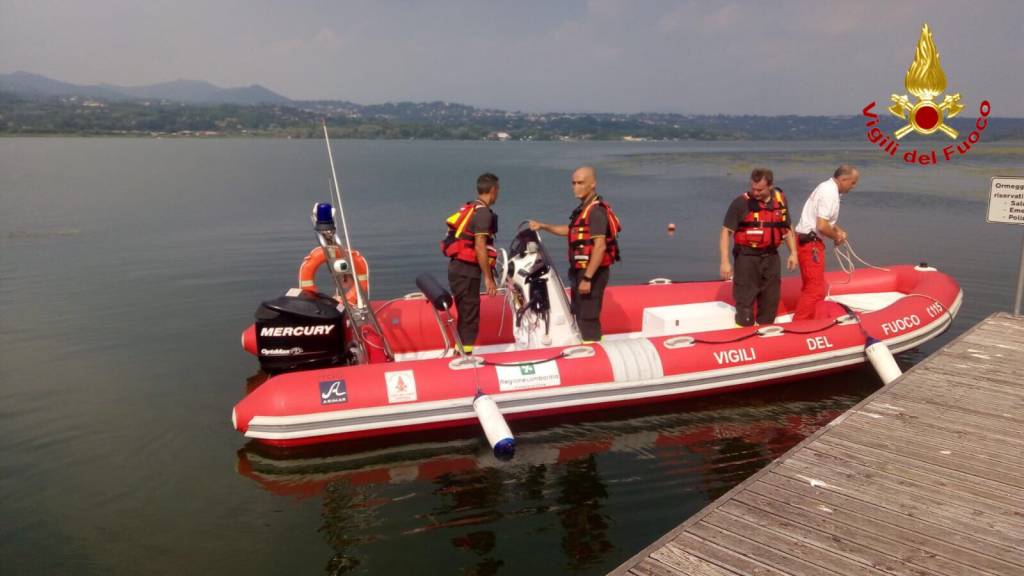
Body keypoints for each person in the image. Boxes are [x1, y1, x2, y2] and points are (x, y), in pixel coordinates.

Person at [528, 166, 621, 342]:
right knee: (579, 311)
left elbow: (599, 247)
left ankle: (593, 354)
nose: (575, 187)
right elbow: (569, 231)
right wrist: (544, 226)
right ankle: (587, 346)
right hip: (580, 271)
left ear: (593, 184)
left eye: (580, 183)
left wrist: (587, 278)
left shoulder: (596, 212)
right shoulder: (582, 210)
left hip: (592, 273)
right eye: (573, 183)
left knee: (588, 316)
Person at [719, 168, 798, 327]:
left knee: (770, 300)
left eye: (760, 190)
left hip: (771, 257)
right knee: (745, 301)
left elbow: (787, 227)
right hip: (747, 258)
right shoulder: (740, 203)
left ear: (770, 186)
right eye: (752, 188)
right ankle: (744, 333)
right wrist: (725, 261)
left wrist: (793, 253)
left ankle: (765, 335)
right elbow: (725, 233)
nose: (755, 192)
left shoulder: (780, 200)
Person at [441, 172, 500, 353]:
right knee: (469, 316)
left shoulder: (471, 208)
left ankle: (459, 351)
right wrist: (489, 278)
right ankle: (465, 356)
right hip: (467, 272)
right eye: (498, 190)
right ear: (493, 190)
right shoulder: (483, 215)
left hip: (458, 269)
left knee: (466, 314)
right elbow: (480, 247)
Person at [793, 165, 859, 320]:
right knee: (815, 290)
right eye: (853, 182)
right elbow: (822, 225)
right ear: (843, 179)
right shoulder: (829, 192)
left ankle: (809, 320)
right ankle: (800, 325)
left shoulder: (827, 188)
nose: (853, 186)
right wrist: (836, 237)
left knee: (812, 287)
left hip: (808, 241)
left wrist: (838, 231)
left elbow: (826, 220)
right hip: (811, 245)